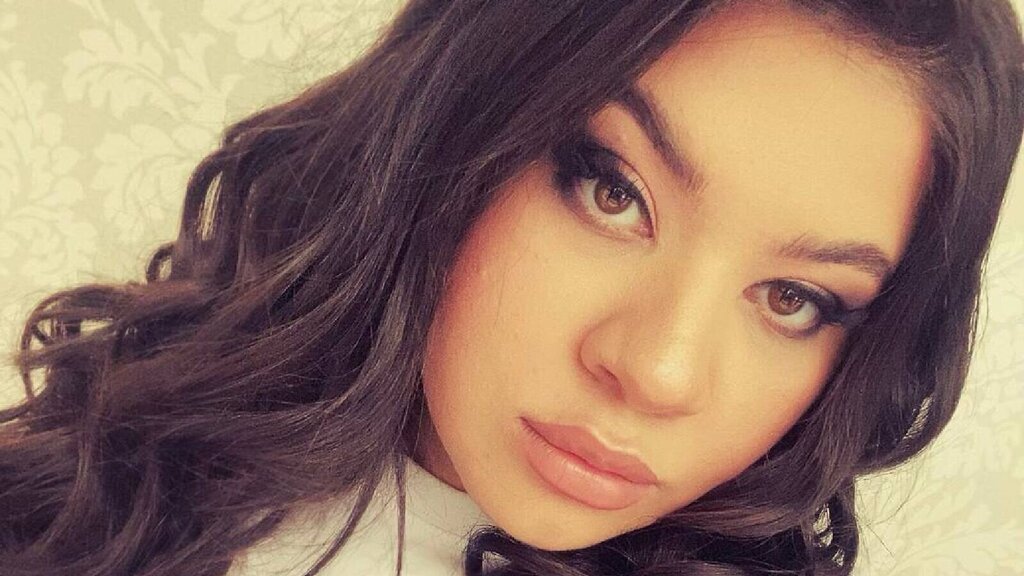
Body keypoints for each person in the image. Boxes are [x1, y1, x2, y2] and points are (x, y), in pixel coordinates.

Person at [1, 0, 1021, 574]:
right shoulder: (77, 495)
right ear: (452, 125)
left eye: (795, 299)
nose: (659, 371)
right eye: (613, 194)